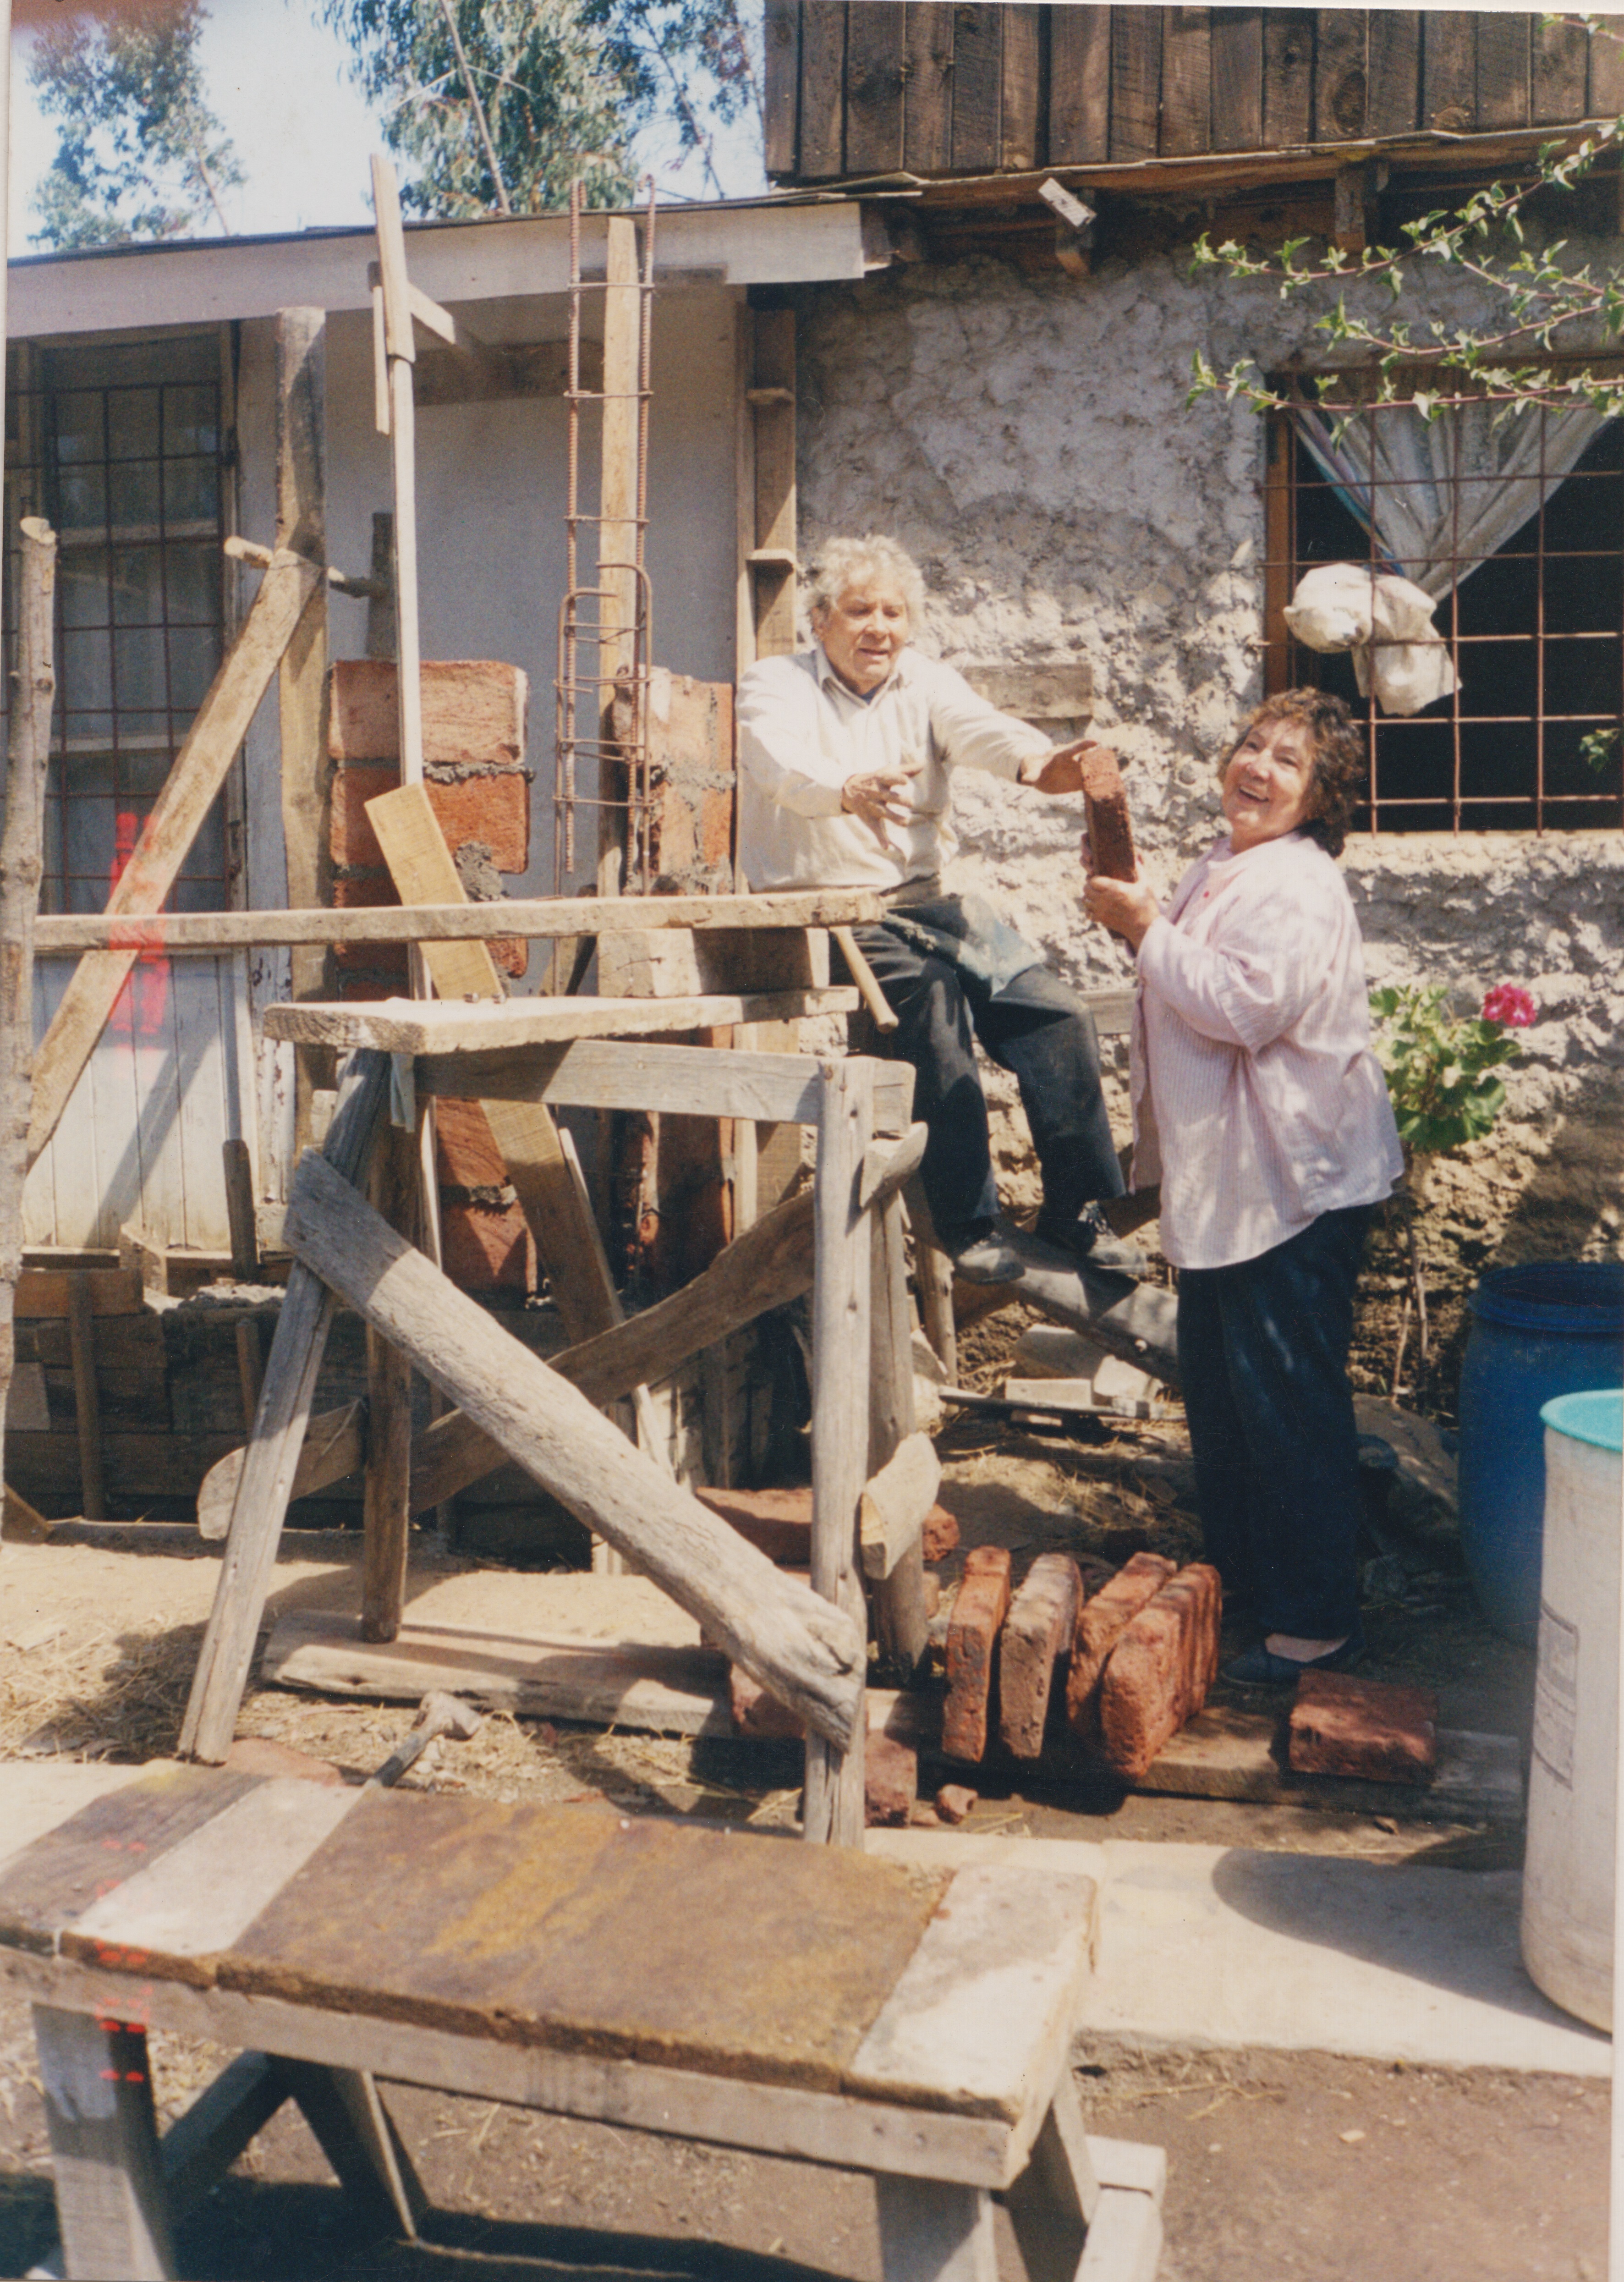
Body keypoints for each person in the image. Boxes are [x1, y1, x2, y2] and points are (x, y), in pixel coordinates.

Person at [1083, 689, 1403, 1684]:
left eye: (1287, 764)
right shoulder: (1225, 863)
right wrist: (1135, 918)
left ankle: (1315, 1628)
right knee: (1224, 1404)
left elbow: (1243, 1008)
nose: (1257, 769)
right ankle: (1242, 1596)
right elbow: (1184, 974)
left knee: (1285, 1407)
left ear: (1317, 801)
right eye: (1251, 747)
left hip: (1291, 1188)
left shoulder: (1300, 885)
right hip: (1231, 1180)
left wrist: (1144, 929)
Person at [736, 533, 1137, 1283]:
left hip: (924, 900)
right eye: (859, 611)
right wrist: (847, 789)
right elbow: (779, 763)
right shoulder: (773, 683)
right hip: (827, 910)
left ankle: (1080, 1211)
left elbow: (985, 731)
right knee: (934, 1008)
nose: (878, 628)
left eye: (893, 612)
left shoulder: (923, 681)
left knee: (1055, 1010)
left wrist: (1045, 767)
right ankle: (967, 1223)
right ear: (822, 619)